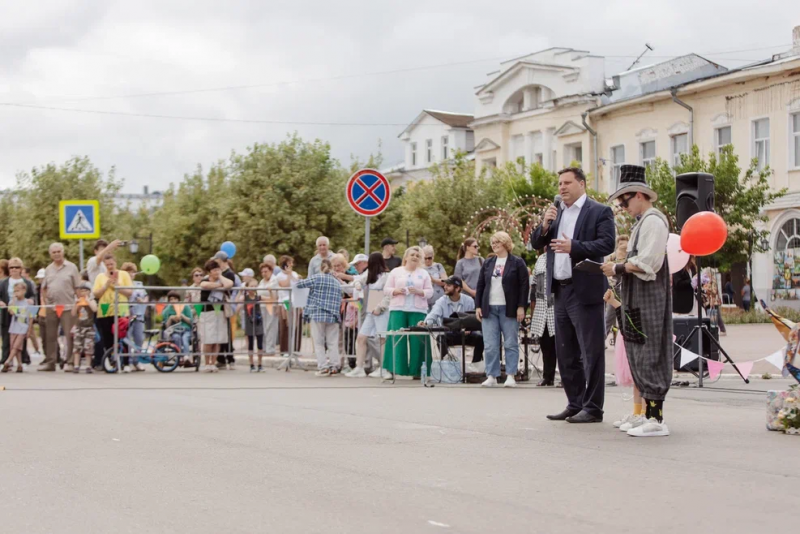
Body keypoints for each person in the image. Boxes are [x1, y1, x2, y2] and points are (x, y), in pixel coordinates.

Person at [531, 166, 615, 423]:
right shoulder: (555, 213)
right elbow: (536, 243)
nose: (562, 187)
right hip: (560, 290)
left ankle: (593, 408)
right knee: (565, 353)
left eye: (567, 183)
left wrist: (574, 246)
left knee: (591, 352)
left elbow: (607, 244)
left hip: (585, 290)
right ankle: (575, 403)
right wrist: (544, 225)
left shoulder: (599, 211)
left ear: (582, 184)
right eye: (559, 183)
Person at [603, 164, 673, 437]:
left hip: (649, 295)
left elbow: (649, 263)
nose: (623, 206)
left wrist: (617, 267)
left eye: (625, 201)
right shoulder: (642, 223)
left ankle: (656, 419)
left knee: (650, 351)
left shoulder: (654, 221)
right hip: (637, 295)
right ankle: (644, 414)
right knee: (638, 352)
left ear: (639, 195)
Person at [475, 232, 529, 388]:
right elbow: (480, 285)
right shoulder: (488, 262)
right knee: (490, 344)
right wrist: (478, 306)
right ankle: (491, 375)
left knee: (510, 342)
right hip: (489, 307)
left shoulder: (517, 262)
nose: (494, 245)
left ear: (505, 243)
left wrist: (521, 306)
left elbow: (524, 286)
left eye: (497, 242)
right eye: (492, 242)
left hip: (509, 308)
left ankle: (511, 375)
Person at [382, 246, 434, 379]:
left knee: (418, 340)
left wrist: (419, 292)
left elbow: (430, 292)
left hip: (418, 310)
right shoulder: (396, 272)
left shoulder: (424, 273)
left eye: (418, 256)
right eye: (412, 255)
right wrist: (396, 291)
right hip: (398, 309)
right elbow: (386, 289)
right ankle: (392, 369)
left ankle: (419, 370)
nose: (415, 257)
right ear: (406, 257)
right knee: (396, 338)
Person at [421, 275, 484, 368]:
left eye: (448, 285)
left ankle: (476, 366)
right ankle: (448, 364)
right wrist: (426, 322)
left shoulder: (469, 300)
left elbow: (474, 318)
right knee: (440, 338)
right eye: (445, 285)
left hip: (466, 334)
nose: (445, 287)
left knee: (480, 339)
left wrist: (470, 328)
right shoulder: (441, 301)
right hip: (450, 334)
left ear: (457, 288)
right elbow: (433, 314)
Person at [296, 259, 344, 376]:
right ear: (331, 268)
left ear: (320, 267)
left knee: (319, 342)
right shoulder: (336, 281)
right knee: (332, 342)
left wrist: (298, 279)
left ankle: (323, 367)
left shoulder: (316, 277)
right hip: (333, 315)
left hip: (317, 313)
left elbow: (299, 285)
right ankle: (334, 366)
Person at [346, 253, 390, 378]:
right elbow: (358, 280)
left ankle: (384, 368)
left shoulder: (386, 276)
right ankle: (359, 367)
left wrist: (380, 307)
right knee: (361, 337)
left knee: (382, 338)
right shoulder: (370, 274)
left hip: (381, 309)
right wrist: (358, 284)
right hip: (371, 308)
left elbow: (388, 295)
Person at [40, 243, 82, 372]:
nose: (57, 254)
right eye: (54, 252)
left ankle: (70, 362)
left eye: (59, 251)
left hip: (68, 306)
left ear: (63, 252)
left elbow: (78, 287)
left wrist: (79, 304)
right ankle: (50, 362)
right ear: (50, 254)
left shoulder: (72, 267)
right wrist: (46, 301)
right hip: (52, 307)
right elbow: (44, 287)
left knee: (70, 335)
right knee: (50, 336)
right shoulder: (48, 269)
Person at [93, 254, 136, 372]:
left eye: (111, 264)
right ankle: (112, 361)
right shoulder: (100, 277)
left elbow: (130, 292)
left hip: (121, 309)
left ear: (115, 263)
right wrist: (106, 286)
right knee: (107, 338)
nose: (109, 267)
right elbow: (96, 294)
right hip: (105, 310)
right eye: (107, 265)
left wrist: (117, 286)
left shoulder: (124, 274)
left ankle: (126, 363)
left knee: (122, 336)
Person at [198, 259, 234, 372]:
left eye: (218, 269)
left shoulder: (222, 278)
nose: (216, 271)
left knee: (217, 340)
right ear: (209, 272)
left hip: (220, 313)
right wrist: (219, 285)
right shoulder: (205, 280)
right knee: (208, 339)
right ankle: (206, 363)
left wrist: (221, 277)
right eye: (214, 270)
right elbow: (204, 285)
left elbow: (229, 284)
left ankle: (213, 363)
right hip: (207, 313)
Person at [0, 258, 36, 367]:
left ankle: (23, 360)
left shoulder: (27, 283)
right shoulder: (3, 283)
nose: (14, 269)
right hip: (8, 313)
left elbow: (33, 296)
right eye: (11, 267)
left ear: (21, 268)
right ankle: (6, 360)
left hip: (22, 314)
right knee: (7, 338)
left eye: (17, 267)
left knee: (21, 337)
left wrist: (31, 301)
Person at [531, 251, 557, 387]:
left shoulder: (564, 256)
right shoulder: (541, 258)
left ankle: (566, 377)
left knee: (562, 344)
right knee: (546, 344)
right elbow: (535, 283)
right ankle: (548, 376)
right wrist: (532, 305)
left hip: (558, 304)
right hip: (542, 306)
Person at [1, 282, 34, 373]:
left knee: (16, 346)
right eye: (14, 291)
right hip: (14, 327)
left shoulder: (28, 302)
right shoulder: (12, 302)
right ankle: (19, 365)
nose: (16, 293)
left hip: (23, 327)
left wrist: (29, 329)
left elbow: (31, 317)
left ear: (24, 291)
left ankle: (7, 362)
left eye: (18, 291)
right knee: (14, 347)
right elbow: (11, 312)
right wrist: (13, 301)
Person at [237, 280, 266, 372]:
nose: (253, 288)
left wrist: (270, 291)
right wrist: (240, 292)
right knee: (250, 344)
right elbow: (236, 301)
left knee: (260, 344)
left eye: (255, 286)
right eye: (251, 286)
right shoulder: (245, 298)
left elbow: (271, 299)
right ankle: (251, 364)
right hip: (249, 323)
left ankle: (260, 364)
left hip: (258, 323)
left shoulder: (258, 297)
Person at [605, 235, 629, 341]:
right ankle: (601, 341)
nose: (621, 245)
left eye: (624, 242)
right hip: (615, 290)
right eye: (620, 243)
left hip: (627, 290)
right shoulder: (613, 257)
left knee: (626, 317)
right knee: (609, 318)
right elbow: (605, 268)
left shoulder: (630, 256)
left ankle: (624, 341)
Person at [121, 262, 147, 360]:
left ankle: (137, 361)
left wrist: (143, 301)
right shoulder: (122, 284)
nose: (131, 274)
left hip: (139, 314)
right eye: (128, 272)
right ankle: (127, 360)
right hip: (127, 314)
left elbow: (145, 296)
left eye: (132, 272)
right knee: (127, 338)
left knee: (139, 338)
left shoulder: (139, 284)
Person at [276, 255, 302, 354]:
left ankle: (296, 349)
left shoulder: (294, 273)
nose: (291, 265)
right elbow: (284, 285)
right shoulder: (279, 275)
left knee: (296, 325)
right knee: (286, 325)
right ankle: (285, 350)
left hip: (295, 301)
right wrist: (288, 275)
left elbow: (297, 284)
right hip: (285, 301)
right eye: (289, 263)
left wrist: (292, 275)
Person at [70, 282, 97, 373]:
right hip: (79, 327)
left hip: (89, 327)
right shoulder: (78, 301)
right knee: (77, 347)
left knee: (88, 347)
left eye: (85, 290)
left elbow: (95, 309)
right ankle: (76, 365)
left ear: (89, 292)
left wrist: (88, 302)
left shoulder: (91, 300)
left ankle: (88, 366)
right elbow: (73, 313)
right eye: (81, 291)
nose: (83, 293)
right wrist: (76, 304)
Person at [257, 263, 280, 362]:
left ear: (271, 271)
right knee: (263, 327)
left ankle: (270, 349)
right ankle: (264, 347)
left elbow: (276, 295)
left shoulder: (275, 280)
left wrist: (277, 305)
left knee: (271, 327)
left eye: (266, 271)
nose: (264, 273)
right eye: (262, 272)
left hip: (271, 306)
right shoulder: (262, 281)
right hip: (262, 306)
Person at [162, 291, 194, 355]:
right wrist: (170, 318)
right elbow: (166, 326)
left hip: (186, 330)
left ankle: (186, 356)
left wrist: (182, 316)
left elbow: (191, 321)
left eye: (175, 299)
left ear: (178, 300)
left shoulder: (185, 307)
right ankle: (179, 356)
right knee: (177, 338)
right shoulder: (167, 310)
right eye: (171, 299)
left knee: (185, 339)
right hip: (174, 331)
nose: (173, 301)